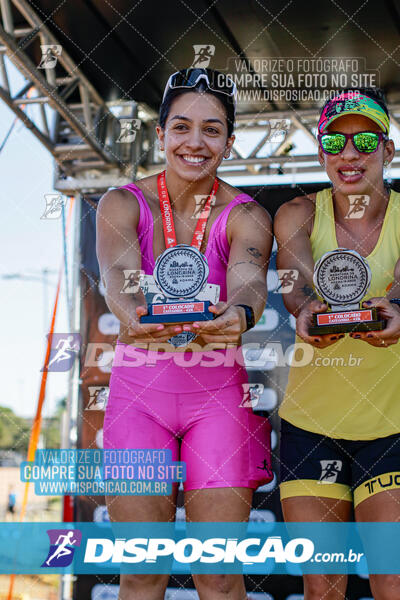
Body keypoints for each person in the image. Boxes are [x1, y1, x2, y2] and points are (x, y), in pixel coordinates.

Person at [96, 68, 273, 600]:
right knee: (141, 572)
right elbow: (117, 281)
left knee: (218, 576)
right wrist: (130, 314)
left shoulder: (247, 214)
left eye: (212, 130)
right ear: (161, 134)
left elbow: (249, 286)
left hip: (217, 399)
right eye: (181, 127)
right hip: (139, 400)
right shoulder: (122, 203)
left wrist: (238, 317)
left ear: (230, 142)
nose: (195, 143)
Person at [274, 88, 400, 599]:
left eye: (365, 140)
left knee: (392, 579)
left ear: (388, 151)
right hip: (311, 426)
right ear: (322, 152)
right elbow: (296, 284)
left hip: (391, 426)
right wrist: (305, 309)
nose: (350, 154)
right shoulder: (296, 213)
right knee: (322, 587)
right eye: (335, 141)